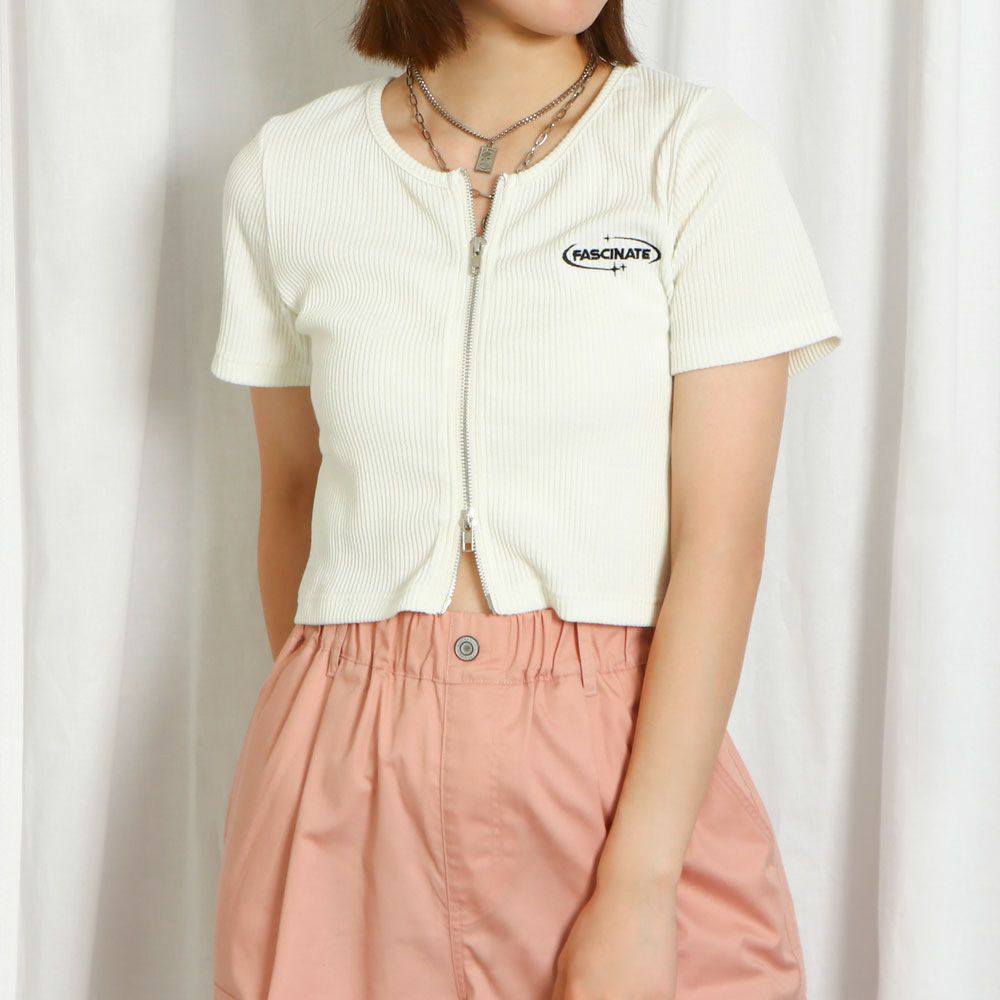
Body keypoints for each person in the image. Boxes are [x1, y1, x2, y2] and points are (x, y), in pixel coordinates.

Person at [208, 1, 842, 998]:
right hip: (343, 762)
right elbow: (291, 491)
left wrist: (641, 884)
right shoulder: (287, 171)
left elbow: (721, 541)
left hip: (619, 763)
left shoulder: (690, 148)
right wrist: (355, 709)